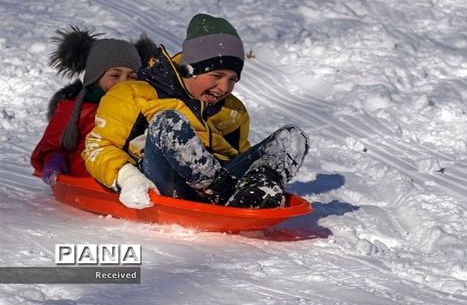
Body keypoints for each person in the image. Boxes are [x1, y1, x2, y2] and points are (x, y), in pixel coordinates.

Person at [82, 13, 309, 210]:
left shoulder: (233, 110)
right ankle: (219, 190)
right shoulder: (134, 93)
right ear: (191, 70)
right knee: (167, 122)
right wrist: (128, 178)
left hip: (223, 180)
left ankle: (256, 193)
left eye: (232, 80)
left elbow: (239, 156)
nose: (224, 88)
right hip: (166, 184)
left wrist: (253, 174)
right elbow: (97, 148)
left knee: (291, 138)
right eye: (217, 76)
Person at [31, 27, 153, 185]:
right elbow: (49, 145)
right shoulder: (77, 109)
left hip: (129, 177)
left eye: (132, 77)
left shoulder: (141, 109)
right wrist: (54, 158)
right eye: (115, 75)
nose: (124, 82)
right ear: (95, 77)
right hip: (86, 178)